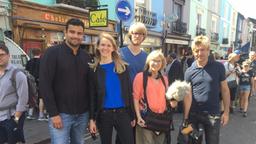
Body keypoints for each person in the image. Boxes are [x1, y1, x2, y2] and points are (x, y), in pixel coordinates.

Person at [39, 18, 91, 144]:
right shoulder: (51, 53)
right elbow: (45, 85)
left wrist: (91, 115)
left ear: (82, 35)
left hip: (82, 114)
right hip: (61, 114)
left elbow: (89, 86)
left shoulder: (86, 56)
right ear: (65, 32)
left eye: (79, 33)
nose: (76, 36)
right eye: (72, 32)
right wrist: (53, 114)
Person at [89, 33, 134, 144]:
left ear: (114, 48)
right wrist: (91, 120)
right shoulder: (93, 70)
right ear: (98, 47)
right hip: (104, 115)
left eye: (109, 45)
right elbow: (92, 96)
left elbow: (129, 92)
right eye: (103, 45)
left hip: (123, 113)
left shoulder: (123, 68)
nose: (105, 48)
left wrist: (132, 115)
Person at [184, 35, 230, 144]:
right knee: (192, 142)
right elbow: (188, 95)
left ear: (208, 50)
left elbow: (225, 90)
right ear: (193, 52)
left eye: (203, 50)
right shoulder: (189, 71)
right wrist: (186, 118)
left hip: (213, 115)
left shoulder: (218, 67)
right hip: (194, 114)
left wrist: (226, 112)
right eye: (197, 50)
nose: (200, 53)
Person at [133, 50, 175, 144]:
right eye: (153, 60)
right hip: (146, 119)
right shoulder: (140, 77)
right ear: (148, 61)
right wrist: (138, 117)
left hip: (161, 120)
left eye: (159, 61)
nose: (156, 63)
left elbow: (168, 98)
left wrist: (173, 100)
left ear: (162, 63)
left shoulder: (165, 79)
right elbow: (135, 98)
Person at [118, 22, 148, 144]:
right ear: (130, 35)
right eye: (135, 33)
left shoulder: (146, 56)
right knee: (123, 134)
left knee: (137, 133)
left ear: (143, 37)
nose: (137, 36)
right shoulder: (120, 52)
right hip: (123, 99)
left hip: (139, 100)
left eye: (141, 34)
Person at [0, 42, 28, 143]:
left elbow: (23, 99)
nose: (0, 57)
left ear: (8, 56)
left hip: (11, 116)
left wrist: (16, 119)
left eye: (2, 55)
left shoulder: (17, 74)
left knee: (14, 142)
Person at [25, 48, 47, 121]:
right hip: (41, 81)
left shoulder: (29, 62)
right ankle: (41, 115)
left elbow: (26, 72)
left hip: (31, 82)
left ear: (32, 53)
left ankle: (30, 114)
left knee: (32, 97)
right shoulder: (43, 62)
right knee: (41, 98)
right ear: (40, 53)